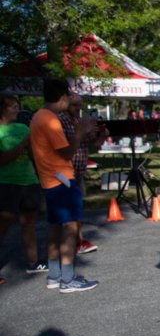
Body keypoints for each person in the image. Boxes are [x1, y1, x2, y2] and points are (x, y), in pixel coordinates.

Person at [28, 79, 99, 292]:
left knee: (55, 227)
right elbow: (67, 152)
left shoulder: (37, 117)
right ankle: (67, 278)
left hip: (51, 179)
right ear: (62, 97)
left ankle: (54, 274)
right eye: (69, 97)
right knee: (70, 227)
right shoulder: (50, 120)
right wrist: (81, 132)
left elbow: (34, 152)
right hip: (61, 179)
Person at [0, 95, 46, 284]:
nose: (17, 109)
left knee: (29, 223)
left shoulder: (23, 128)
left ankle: (33, 262)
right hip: (7, 183)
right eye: (13, 106)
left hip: (29, 181)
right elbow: (2, 159)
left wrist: (40, 177)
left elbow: (33, 155)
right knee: (3, 226)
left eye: (17, 105)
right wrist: (22, 145)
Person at [58, 94, 105, 255]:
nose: (77, 109)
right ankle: (73, 242)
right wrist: (81, 131)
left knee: (77, 208)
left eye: (80, 105)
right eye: (74, 105)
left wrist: (102, 133)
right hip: (64, 172)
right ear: (66, 105)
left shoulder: (80, 122)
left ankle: (78, 240)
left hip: (79, 171)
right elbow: (64, 148)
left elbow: (95, 144)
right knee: (69, 211)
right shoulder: (60, 121)